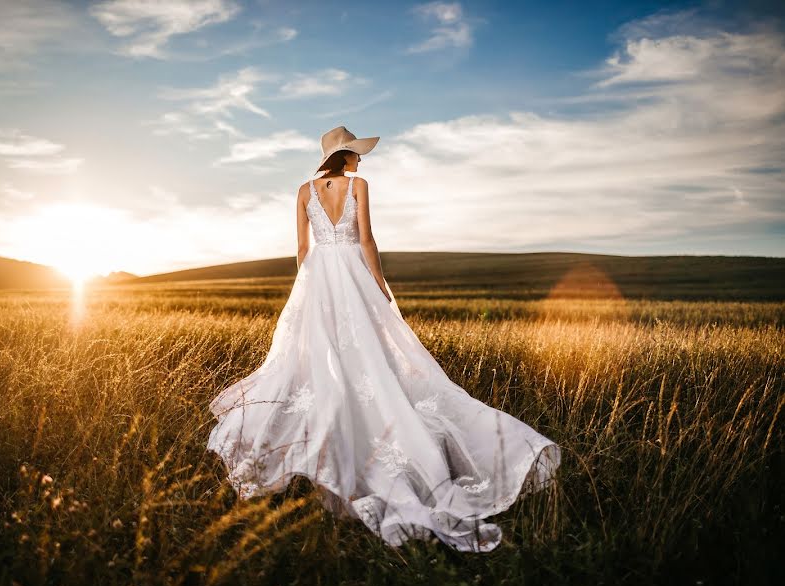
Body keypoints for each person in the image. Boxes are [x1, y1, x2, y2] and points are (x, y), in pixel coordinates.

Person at [207, 125, 560, 552]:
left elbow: (302, 251)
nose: (361, 159)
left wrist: (307, 292)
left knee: (319, 360)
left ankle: (329, 435)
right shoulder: (359, 185)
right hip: (354, 272)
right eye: (357, 153)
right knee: (372, 355)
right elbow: (368, 239)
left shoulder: (303, 190)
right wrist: (381, 287)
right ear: (346, 156)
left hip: (318, 278)